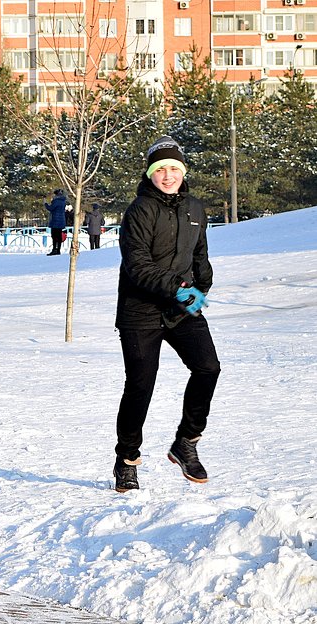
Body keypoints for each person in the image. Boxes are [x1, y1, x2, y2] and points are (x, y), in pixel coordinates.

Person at [113, 136, 220, 492]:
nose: (169, 175)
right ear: (151, 173)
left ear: (183, 171)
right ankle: (127, 459)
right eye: (161, 169)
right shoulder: (139, 211)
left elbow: (199, 255)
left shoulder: (195, 209)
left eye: (174, 168)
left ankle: (186, 441)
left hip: (180, 308)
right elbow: (137, 265)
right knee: (141, 385)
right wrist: (177, 287)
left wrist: (201, 288)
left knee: (208, 367)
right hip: (140, 311)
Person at [45, 188, 68, 255]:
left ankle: (54, 249)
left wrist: (45, 203)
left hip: (55, 221)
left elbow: (50, 208)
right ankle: (58, 249)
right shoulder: (63, 201)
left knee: (54, 236)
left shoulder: (56, 201)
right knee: (59, 236)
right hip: (61, 221)